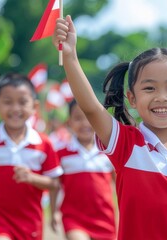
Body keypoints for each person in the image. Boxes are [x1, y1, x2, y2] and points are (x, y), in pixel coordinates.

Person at [53, 15, 167, 240]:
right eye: (149, 89)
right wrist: (70, 55)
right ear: (131, 98)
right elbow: (91, 108)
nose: (161, 97)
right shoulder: (125, 144)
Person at [0, 73, 63, 240]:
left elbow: (54, 183)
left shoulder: (43, 144)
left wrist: (32, 179)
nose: (16, 108)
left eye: (23, 102)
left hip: (30, 224)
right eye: (8, 102)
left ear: (34, 107)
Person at [54, 100, 116, 240]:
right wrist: (54, 212)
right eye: (78, 118)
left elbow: (120, 186)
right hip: (74, 219)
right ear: (69, 123)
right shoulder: (61, 154)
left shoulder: (109, 153)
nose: (85, 123)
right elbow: (55, 186)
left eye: (89, 118)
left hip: (105, 219)